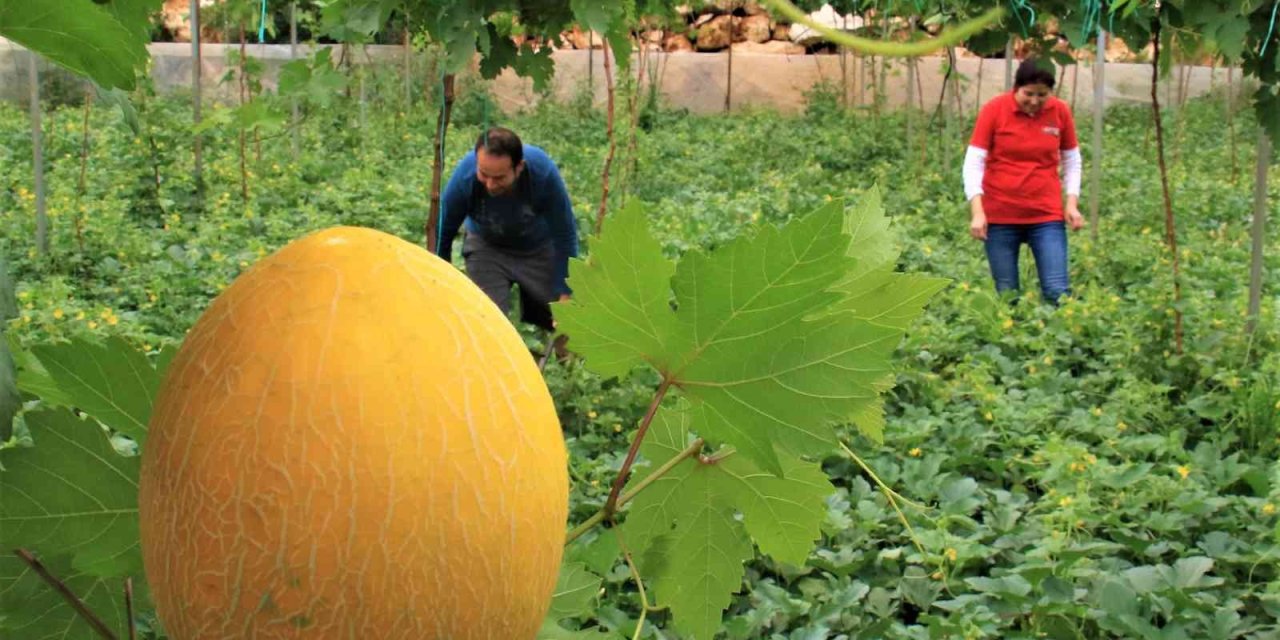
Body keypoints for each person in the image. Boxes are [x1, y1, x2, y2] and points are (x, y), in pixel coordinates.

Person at [963, 57, 1084, 305]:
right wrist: (978, 212)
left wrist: (1071, 203)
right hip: (1000, 216)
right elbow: (973, 162)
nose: (1035, 101)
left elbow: (1072, 160)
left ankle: (1059, 341)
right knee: (1008, 296)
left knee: (1057, 291)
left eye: (1042, 95)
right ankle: (1011, 341)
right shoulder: (994, 110)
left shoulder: (1059, 111)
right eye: (1028, 94)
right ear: (1016, 88)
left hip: (1046, 214)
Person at [436, 127, 580, 332]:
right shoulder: (465, 176)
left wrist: (565, 294)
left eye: (499, 178)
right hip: (486, 248)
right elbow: (443, 230)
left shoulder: (542, 173)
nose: (490, 185)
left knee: (561, 323)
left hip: (537, 248)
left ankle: (565, 362)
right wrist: (440, 280)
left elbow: (564, 234)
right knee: (488, 323)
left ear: (519, 167)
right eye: (484, 174)